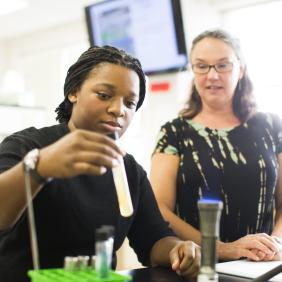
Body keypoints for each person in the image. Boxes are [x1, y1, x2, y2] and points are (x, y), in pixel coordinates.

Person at [0, 46, 200, 282]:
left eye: (130, 103)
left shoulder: (128, 169)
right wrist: (39, 168)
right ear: (74, 92)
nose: (118, 110)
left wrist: (178, 250)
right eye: (104, 95)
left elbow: (154, 238)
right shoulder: (28, 147)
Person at [150, 29, 282, 262]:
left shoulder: (272, 126)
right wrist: (221, 248)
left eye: (223, 65)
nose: (212, 75)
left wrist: (274, 244)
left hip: (261, 265)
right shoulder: (173, 133)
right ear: (193, 71)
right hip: (197, 266)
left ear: (240, 69)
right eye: (201, 66)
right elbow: (160, 208)